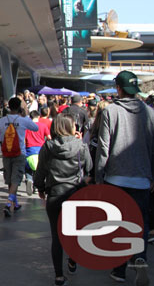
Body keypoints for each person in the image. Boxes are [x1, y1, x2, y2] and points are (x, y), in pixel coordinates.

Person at [96, 71, 154, 285]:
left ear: (118, 89)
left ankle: (119, 270)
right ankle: (139, 258)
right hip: (142, 178)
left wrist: (99, 177)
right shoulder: (149, 113)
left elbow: (104, 147)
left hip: (115, 179)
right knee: (140, 222)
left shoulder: (110, 112)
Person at [34, 113, 92, 286]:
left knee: (56, 236)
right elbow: (89, 168)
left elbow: (40, 171)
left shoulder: (48, 147)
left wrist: (40, 187)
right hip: (75, 193)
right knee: (73, 232)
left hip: (55, 194)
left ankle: (59, 276)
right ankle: (73, 260)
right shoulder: (81, 146)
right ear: (71, 127)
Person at [0, 97, 38, 217]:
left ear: (9, 107)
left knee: (9, 179)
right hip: (19, 152)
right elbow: (35, 127)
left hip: (6, 153)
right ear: (19, 107)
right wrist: (24, 116)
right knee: (16, 179)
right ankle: (8, 203)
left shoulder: (2, 121)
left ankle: (14, 203)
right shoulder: (23, 120)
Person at [24, 110, 51, 195]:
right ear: (38, 117)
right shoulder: (43, 126)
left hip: (29, 150)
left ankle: (29, 179)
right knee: (39, 170)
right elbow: (49, 137)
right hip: (41, 150)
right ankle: (36, 187)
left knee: (28, 168)